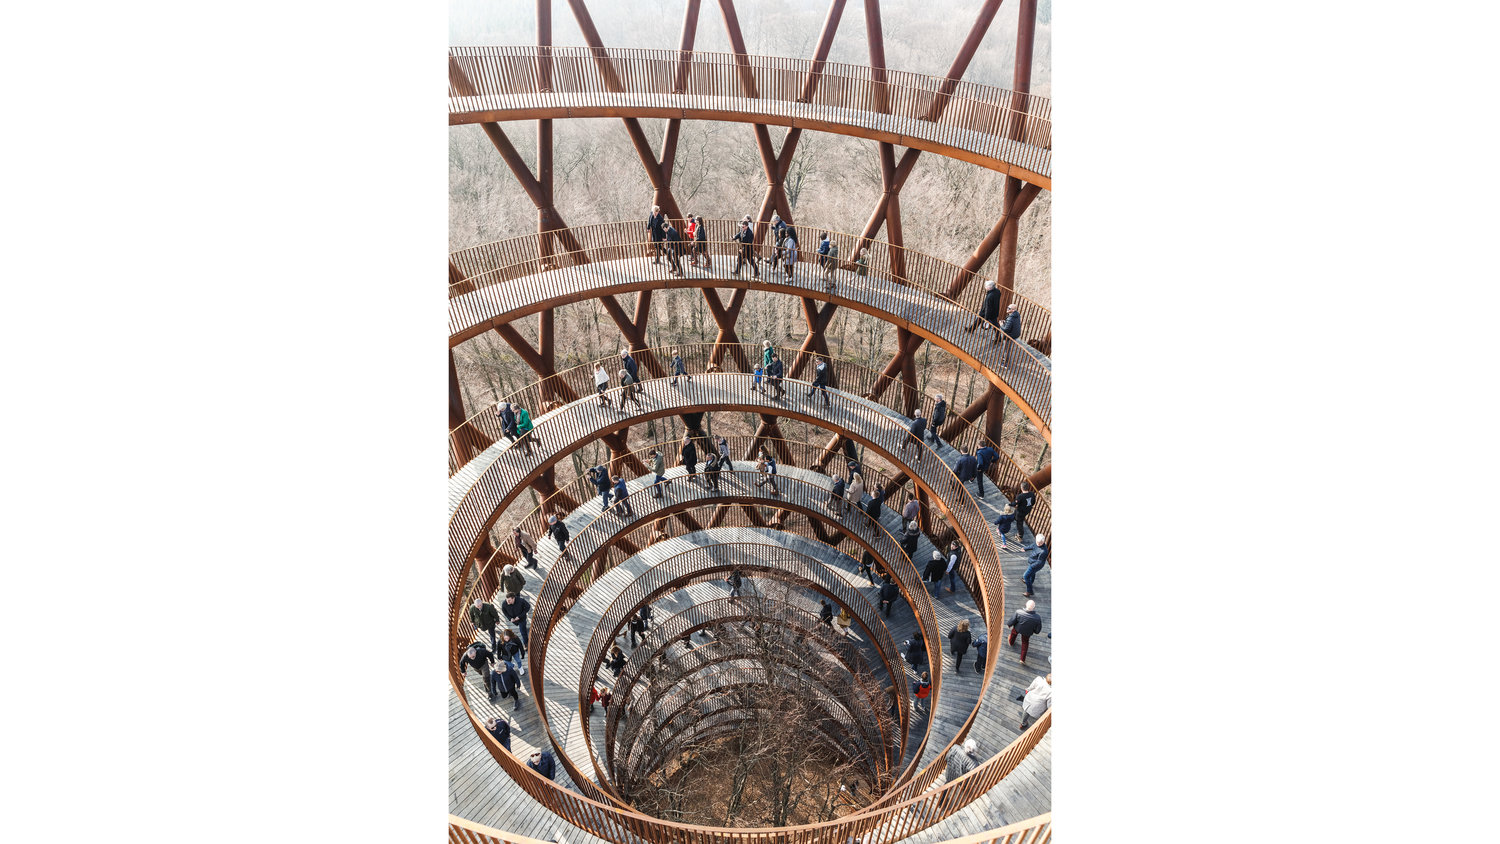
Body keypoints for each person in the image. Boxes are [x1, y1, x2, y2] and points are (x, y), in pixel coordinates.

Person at [965, 278, 1003, 343]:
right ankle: (971, 329)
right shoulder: (997, 291)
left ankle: (999, 338)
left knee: (995, 325)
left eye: (986, 286)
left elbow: (988, 308)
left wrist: (986, 318)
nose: (985, 287)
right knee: (979, 320)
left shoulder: (990, 296)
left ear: (989, 287)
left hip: (987, 312)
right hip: (995, 311)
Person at [1008, 599, 1044, 663]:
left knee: (1013, 634)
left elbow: (1012, 620)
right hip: (1027, 632)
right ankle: (1022, 659)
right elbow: (1038, 630)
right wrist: (1034, 631)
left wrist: (1009, 624)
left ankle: (1011, 642)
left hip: (1018, 628)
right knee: (1025, 643)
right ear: (1034, 607)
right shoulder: (1037, 617)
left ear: (1026, 604)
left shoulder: (1018, 612)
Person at [1022, 534, 1049, 598]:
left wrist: (1032, 566)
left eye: (1040, 543)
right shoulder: (1036, 543)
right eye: (1037, 542)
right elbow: (1032, 546)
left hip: (1035, 565)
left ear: (1043, 541)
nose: (1038, 544)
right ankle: (1030, 582)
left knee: (1026, 576)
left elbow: (1039, 562)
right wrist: (1025, 548)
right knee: (1032, 574)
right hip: (1032, 562)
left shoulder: (1044, 551)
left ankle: (1029, 591)